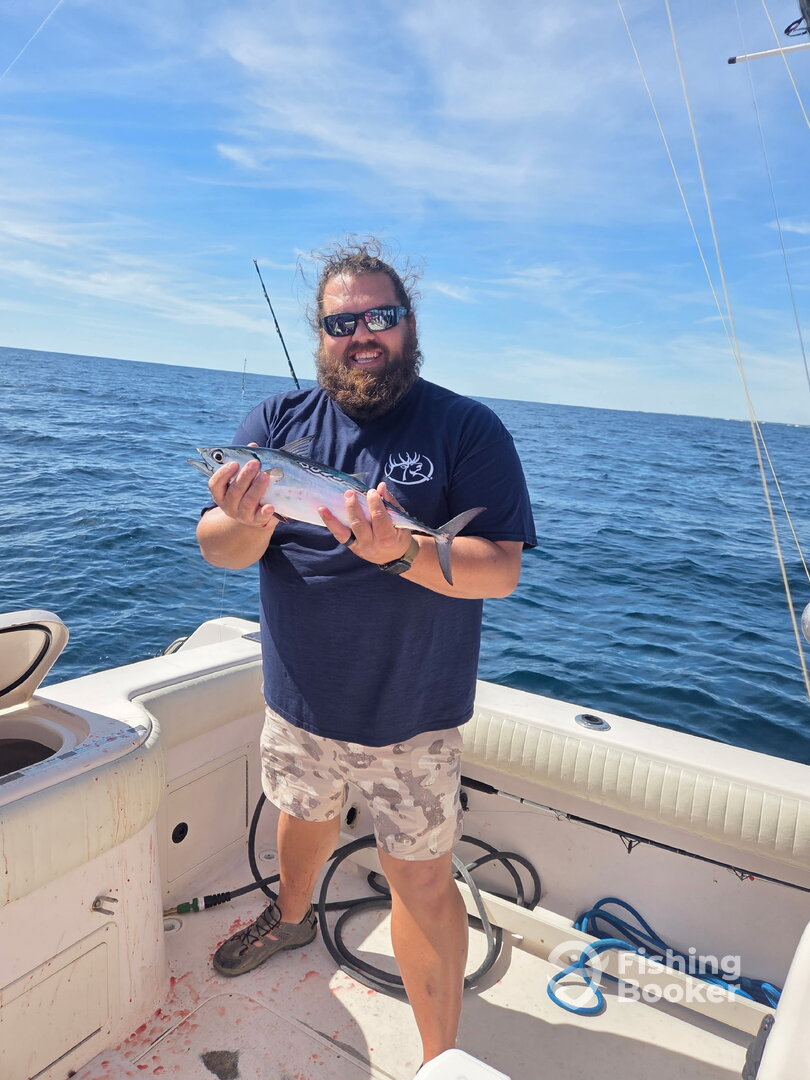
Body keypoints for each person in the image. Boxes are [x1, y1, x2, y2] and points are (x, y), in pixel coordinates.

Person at [196, 239, 536, 1069]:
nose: (361, 335)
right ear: (320, 333)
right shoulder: (273, 425)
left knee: (421, 881)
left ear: (408, 323)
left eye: (379, 316)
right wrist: (245, 518)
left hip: (412, 714)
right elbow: (217, 550)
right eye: (341, 322)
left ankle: (438, 1060)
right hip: (298, 701)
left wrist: (401, 553)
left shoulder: (466, 427)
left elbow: (499, 570)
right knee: (299, 818)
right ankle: (291, 918)